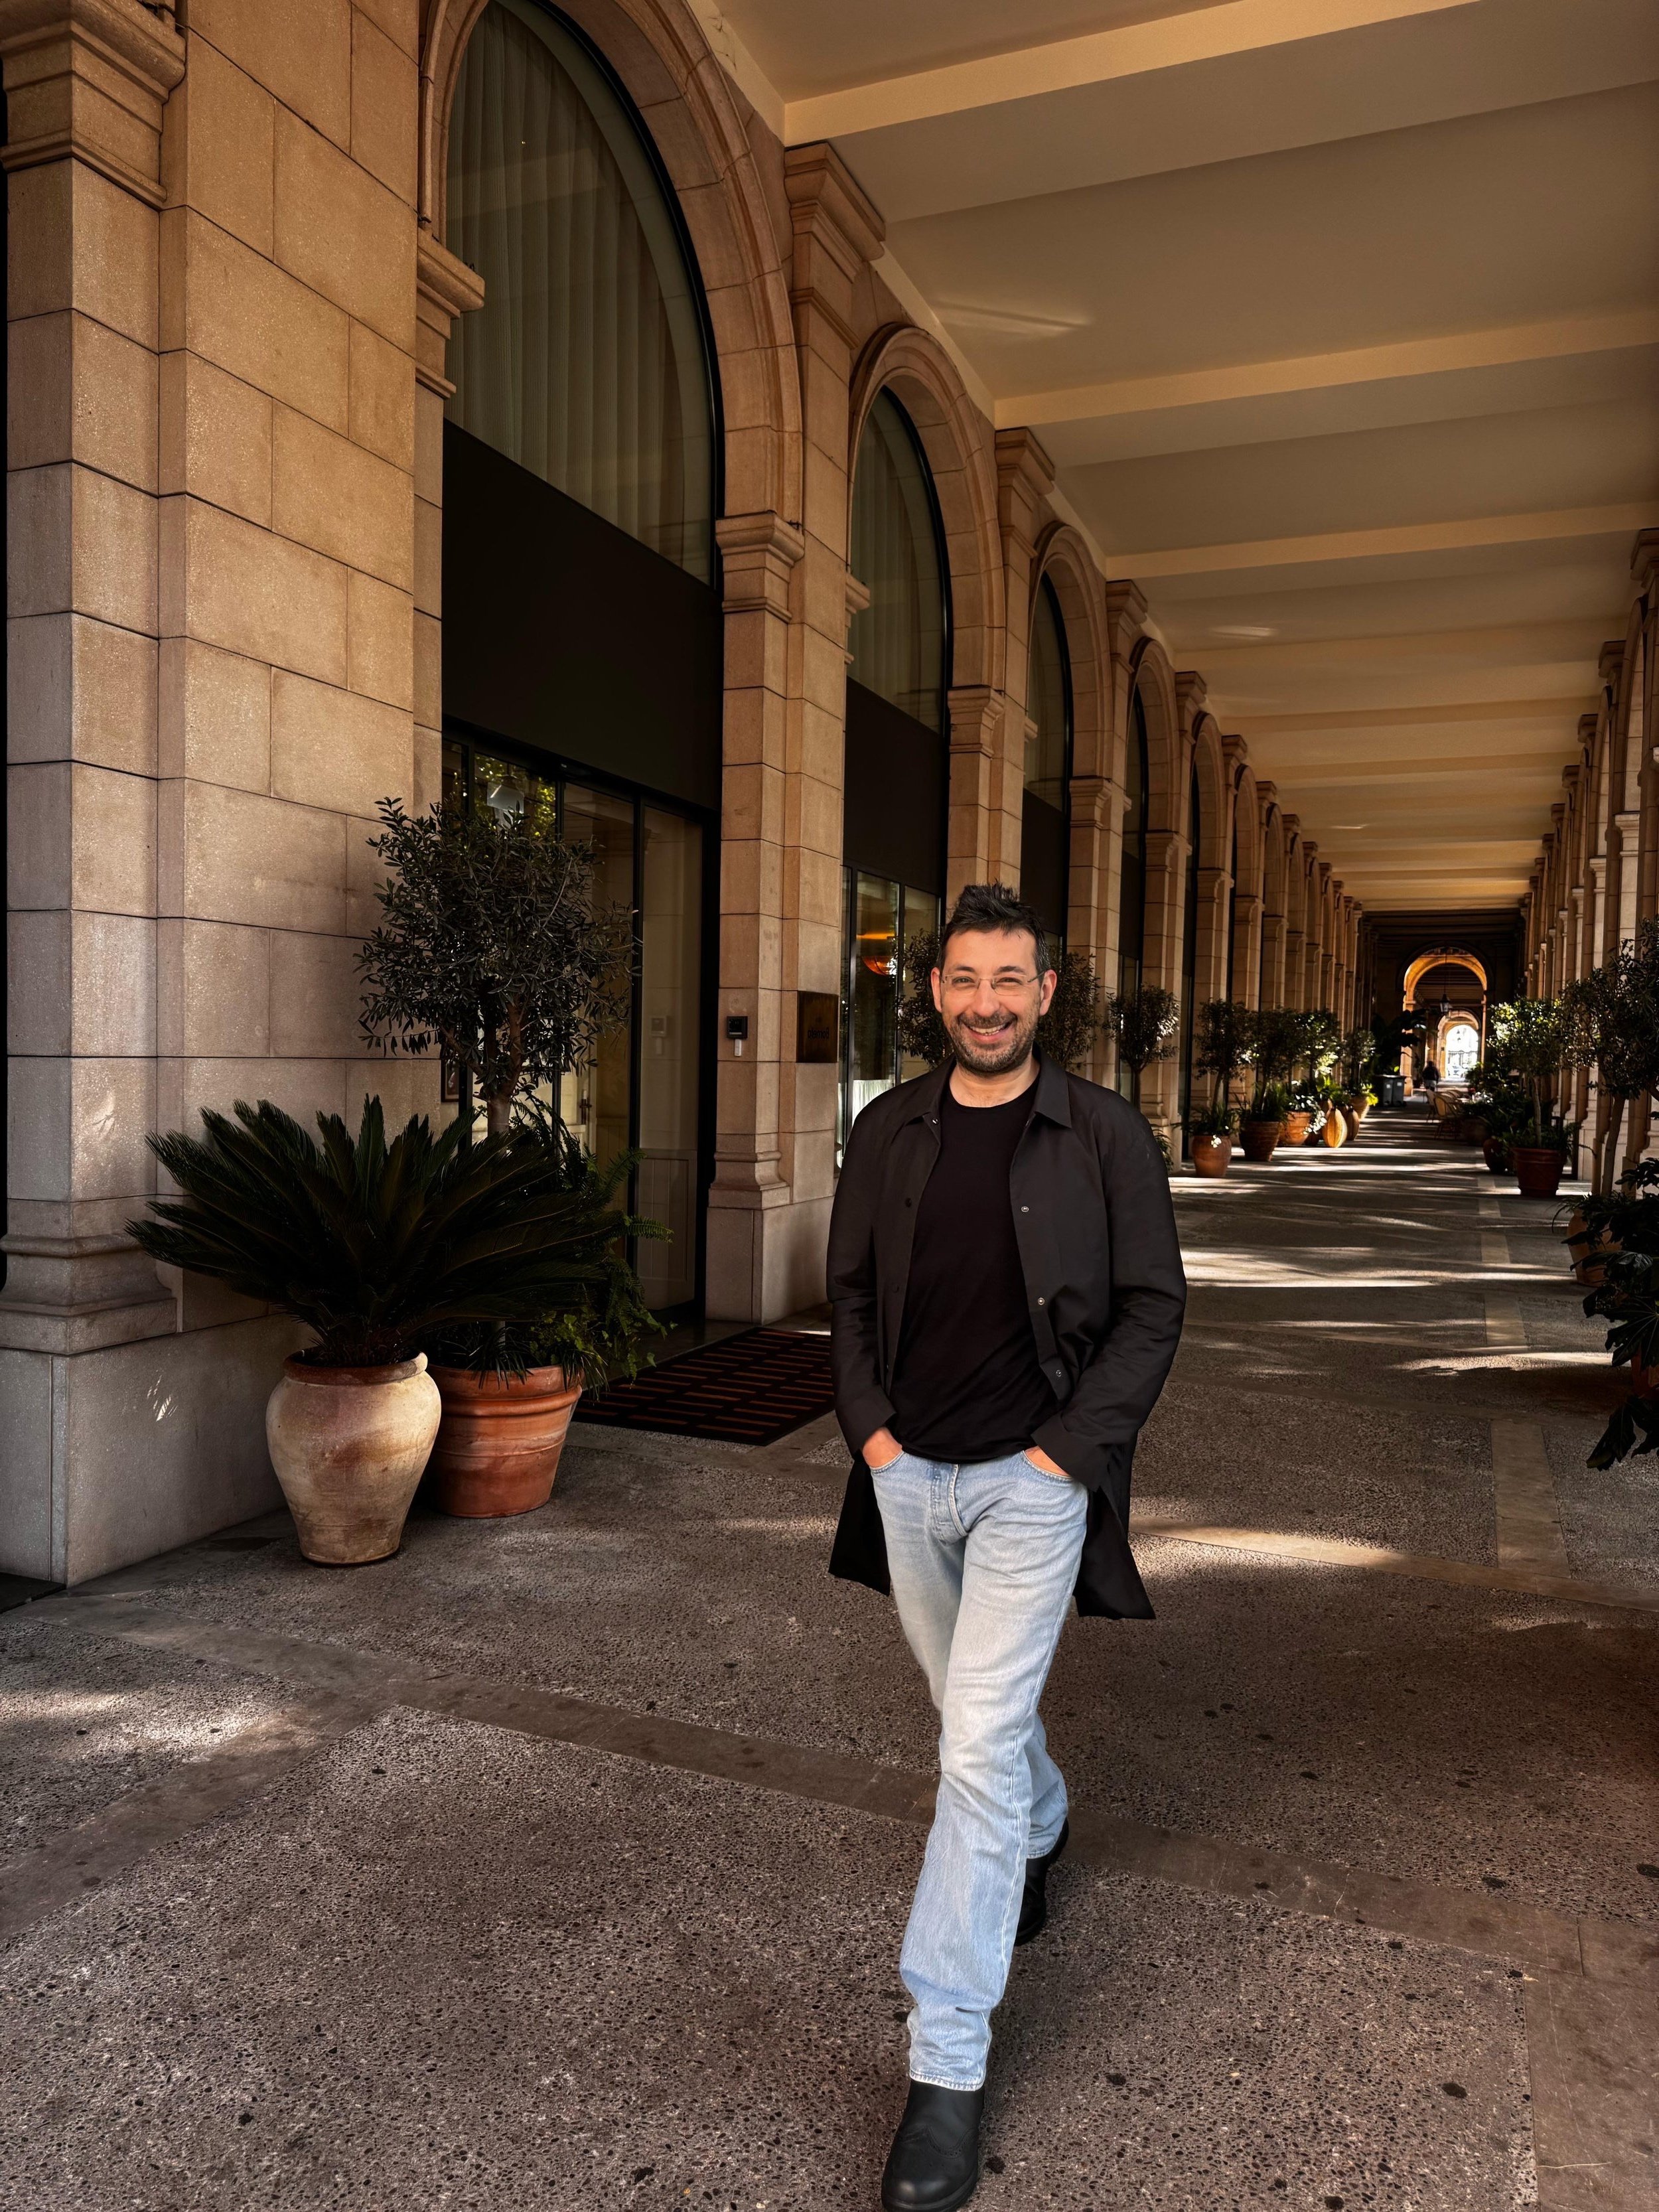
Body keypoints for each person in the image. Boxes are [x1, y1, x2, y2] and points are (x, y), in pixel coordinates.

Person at [828, 882, 1187, 2211]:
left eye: (1009, 979)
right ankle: (1041, 1820)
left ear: (1045, 993)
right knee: (974, 1726)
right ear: (934, 991)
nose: (985, 1000)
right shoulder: (886, 1129)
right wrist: (868, 1433)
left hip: (1036, 1482)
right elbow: (851, 1290)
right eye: (962, 978)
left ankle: (944, 2063)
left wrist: (1065, 1451)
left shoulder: (1101, 1136)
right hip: (907, 1475)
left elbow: (1154, 1305)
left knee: (968, 1739)